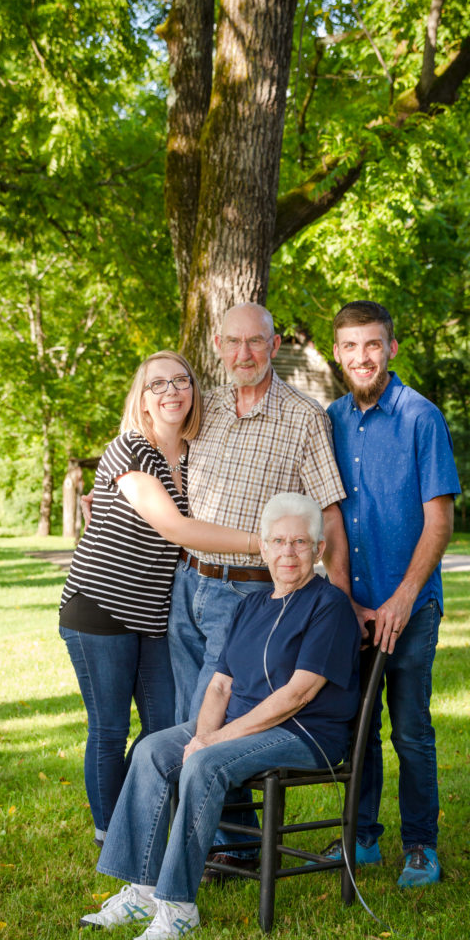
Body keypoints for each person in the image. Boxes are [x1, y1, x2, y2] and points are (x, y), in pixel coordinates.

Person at [78, 493, 360, 940]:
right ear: (263, 548)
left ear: (318, 550)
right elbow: (220, 686)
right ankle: (142, 891)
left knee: (205, 763)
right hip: (243, 725)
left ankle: (178, 908)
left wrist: (213, 743)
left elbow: (297, 694)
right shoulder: (251, 605)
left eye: (300, 543)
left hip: (305, 733)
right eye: (278, 542)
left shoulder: (328, 606)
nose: (288, 552)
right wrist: (204, 733)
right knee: (151, 750)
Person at [167, 302, 349, 878]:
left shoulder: (304, 417)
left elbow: (330, 515)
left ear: (273, 347)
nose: (243, 354)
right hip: (191, 581)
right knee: (190, 719)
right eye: (232, 342)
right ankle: (231, 844)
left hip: (249, 594)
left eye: (256, 343)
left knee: (217, 719)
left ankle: (227, 850)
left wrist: (337, 602)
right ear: (217, 346)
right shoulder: (207, 408)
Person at [59, 351, 260, 848]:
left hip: (153, 616)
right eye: (157, 385)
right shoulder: (131, 449)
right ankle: (112, 839)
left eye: (180, 381)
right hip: (100, 608)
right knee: (109, 728)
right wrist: (265, 543)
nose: (171, 391)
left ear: (193, 391)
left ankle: (139, 819)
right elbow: (176, 527)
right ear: (142, 400)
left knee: (164, 729)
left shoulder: (191, 457)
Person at [325, 300, 460, 888]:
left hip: (411, 606)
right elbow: (324, 517)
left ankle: (421, 846)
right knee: (357, 727)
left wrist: (404, 596)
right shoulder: (325, 419)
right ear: (336, 353)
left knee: (409, 729)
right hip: (350, 609)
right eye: (351, 346)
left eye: (372, 345)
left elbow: (439, 520)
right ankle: (362, 835)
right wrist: (344, 599)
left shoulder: (420, 417)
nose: (362, 357)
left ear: (392, 349)